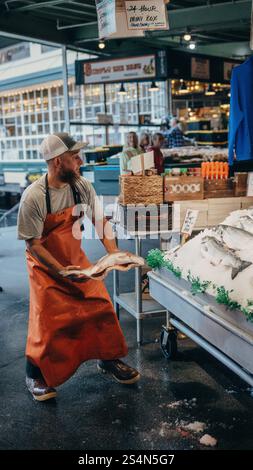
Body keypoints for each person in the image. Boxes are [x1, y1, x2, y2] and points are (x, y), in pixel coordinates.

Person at [17, 132, 140, 402]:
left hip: (75, 259)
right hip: (44, 266)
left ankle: (108, 360)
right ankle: (34, 374)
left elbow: (100, 222)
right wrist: (61, 272)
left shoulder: (81, 186)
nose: (81, 161)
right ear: (58, 161)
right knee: (48, 320)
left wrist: (114, 254)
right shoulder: (34, 197)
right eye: (75, 157)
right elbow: (34, 245)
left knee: (100, 304)